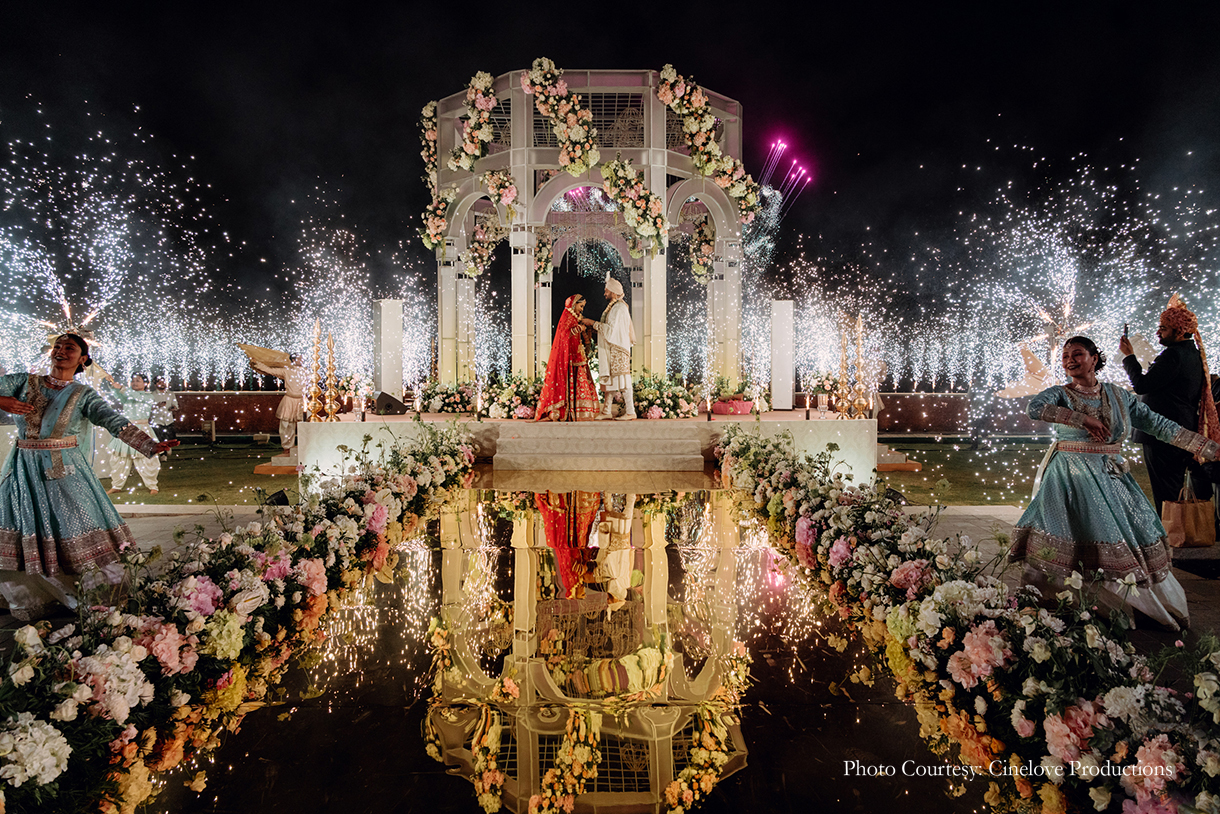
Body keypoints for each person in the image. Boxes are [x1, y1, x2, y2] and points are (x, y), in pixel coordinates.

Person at [1009, 336, 1219, 632]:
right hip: (1068, 478)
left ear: (1095, 358)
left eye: (1078, 354)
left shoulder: (1120, 396)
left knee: (1126, 533)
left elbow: (1158, 425)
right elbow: (1035, 408)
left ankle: (1121, 606)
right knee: (1068, 535)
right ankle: (1060, 601)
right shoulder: (1058, 393)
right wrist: (1083, 419)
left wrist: (1205, 445)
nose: (1069, 359)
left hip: (1111, 476)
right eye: (1066, 355)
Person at [0, 334, 178, 620]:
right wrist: (2, 400)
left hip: (64, 470)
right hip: (21, 469)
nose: (61, 351)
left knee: (75, 526)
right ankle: (29, 598)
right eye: (57, 346)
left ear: (83, 358)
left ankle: (95, 599)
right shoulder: (23, 382)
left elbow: (111, 419)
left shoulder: (83, 394)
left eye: (69, 348)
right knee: (15, 526)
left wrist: (149, 445)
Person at [1119, 302, 1220, 513]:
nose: (1158, 332)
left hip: (1163, 432)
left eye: (1163, 328)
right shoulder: (1193, 353)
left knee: (1166, 493)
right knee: (1181, 488)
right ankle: (1193, 531)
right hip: (1184, 429)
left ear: (1180, 331)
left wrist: (1129, 357)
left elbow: (1142, 385)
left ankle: (1171, 536)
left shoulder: (1174, 355)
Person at [536, 295, 600, 422]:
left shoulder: (575, 316)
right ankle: (568, 411)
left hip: (577, 353)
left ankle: (582, 412)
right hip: (570, 356)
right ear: (574, 304)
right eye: (580, 306)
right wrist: (579, 328)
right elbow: (564, 334)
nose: (581, 309)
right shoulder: (567, 316)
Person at [582, 277, 636, 420]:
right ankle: (606, 411)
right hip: (612, 348)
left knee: (623, 381)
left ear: (613, 291)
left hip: (618, 349)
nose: (604, 293)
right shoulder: (614, 307)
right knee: (611, 381)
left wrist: (592, 323)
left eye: (606, 291)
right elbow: (609, 330)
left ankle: (630, 412)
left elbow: (611, 331)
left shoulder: (619, 308)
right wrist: (594, 328)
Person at [105, 374, 161, 495]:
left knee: (147, 459)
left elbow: (135, 396)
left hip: (142, 429)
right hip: (127, 428)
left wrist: (122, 388)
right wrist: (113, 387)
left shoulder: (148, 396)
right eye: (133, 381)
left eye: (138, 381)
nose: (134, 383)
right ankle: (116, 485)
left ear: (146, 384)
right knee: (119, 459)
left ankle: (152, 485)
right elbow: (119, 396)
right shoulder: (128, 395)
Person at [251, 354, 309, 456]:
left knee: (304, 424)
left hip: (302, 400)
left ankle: (305, 446)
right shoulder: (286, 371)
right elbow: (270, 370)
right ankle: (287, 448)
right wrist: (257, 363)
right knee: (286, 425)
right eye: (299, 358)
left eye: (302, 358)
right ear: (293, 360)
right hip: (289, 399)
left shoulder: (307, 372)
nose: (301, 360)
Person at [151, 377, 179, 458]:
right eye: (159, 382)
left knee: (169, 437)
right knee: (159, 438)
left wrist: (173, 408)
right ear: (155, 384)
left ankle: (167, 450)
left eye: (163, 382)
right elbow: (148, 408)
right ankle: (163, 455)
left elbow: (176, 405)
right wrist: (157, 406)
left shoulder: (170, 394)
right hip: (157, 421)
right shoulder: (152, 395)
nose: (162, 384)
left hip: (168, 420)